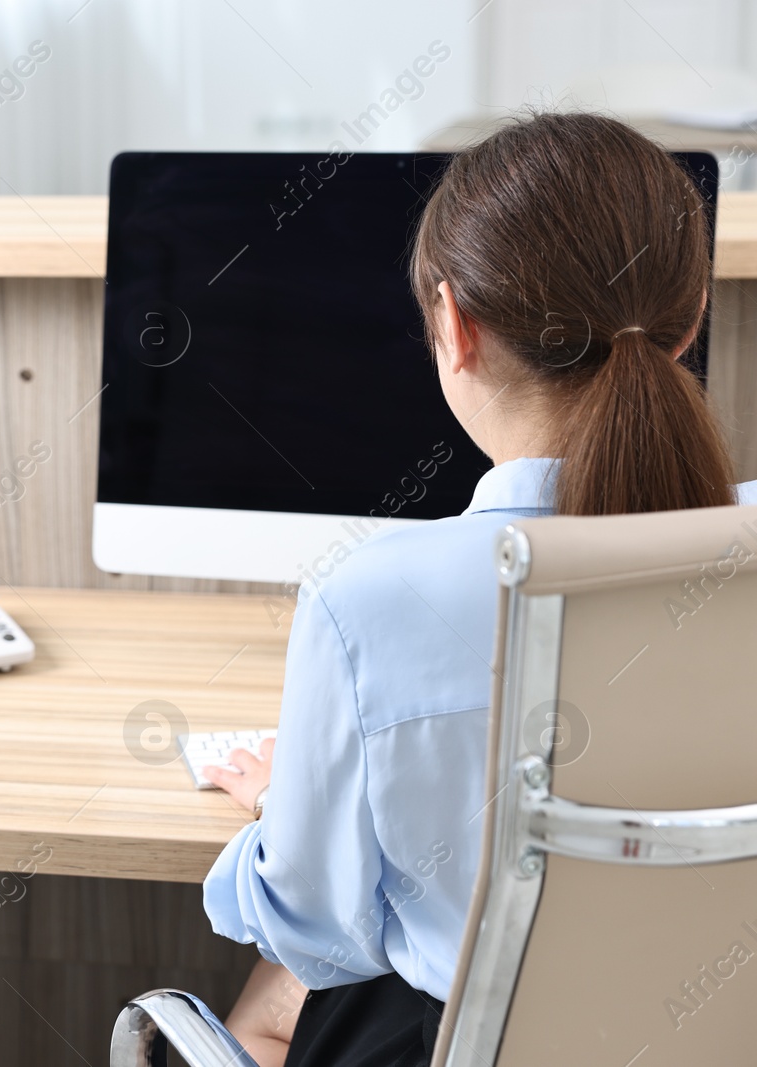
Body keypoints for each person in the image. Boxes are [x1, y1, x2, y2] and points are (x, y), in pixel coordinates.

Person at [197, 112, 757, 1067]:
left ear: (453, 323)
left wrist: (287, 811)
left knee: (268, 995)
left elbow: (319, 934)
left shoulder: (368, 599)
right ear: (692, 317)